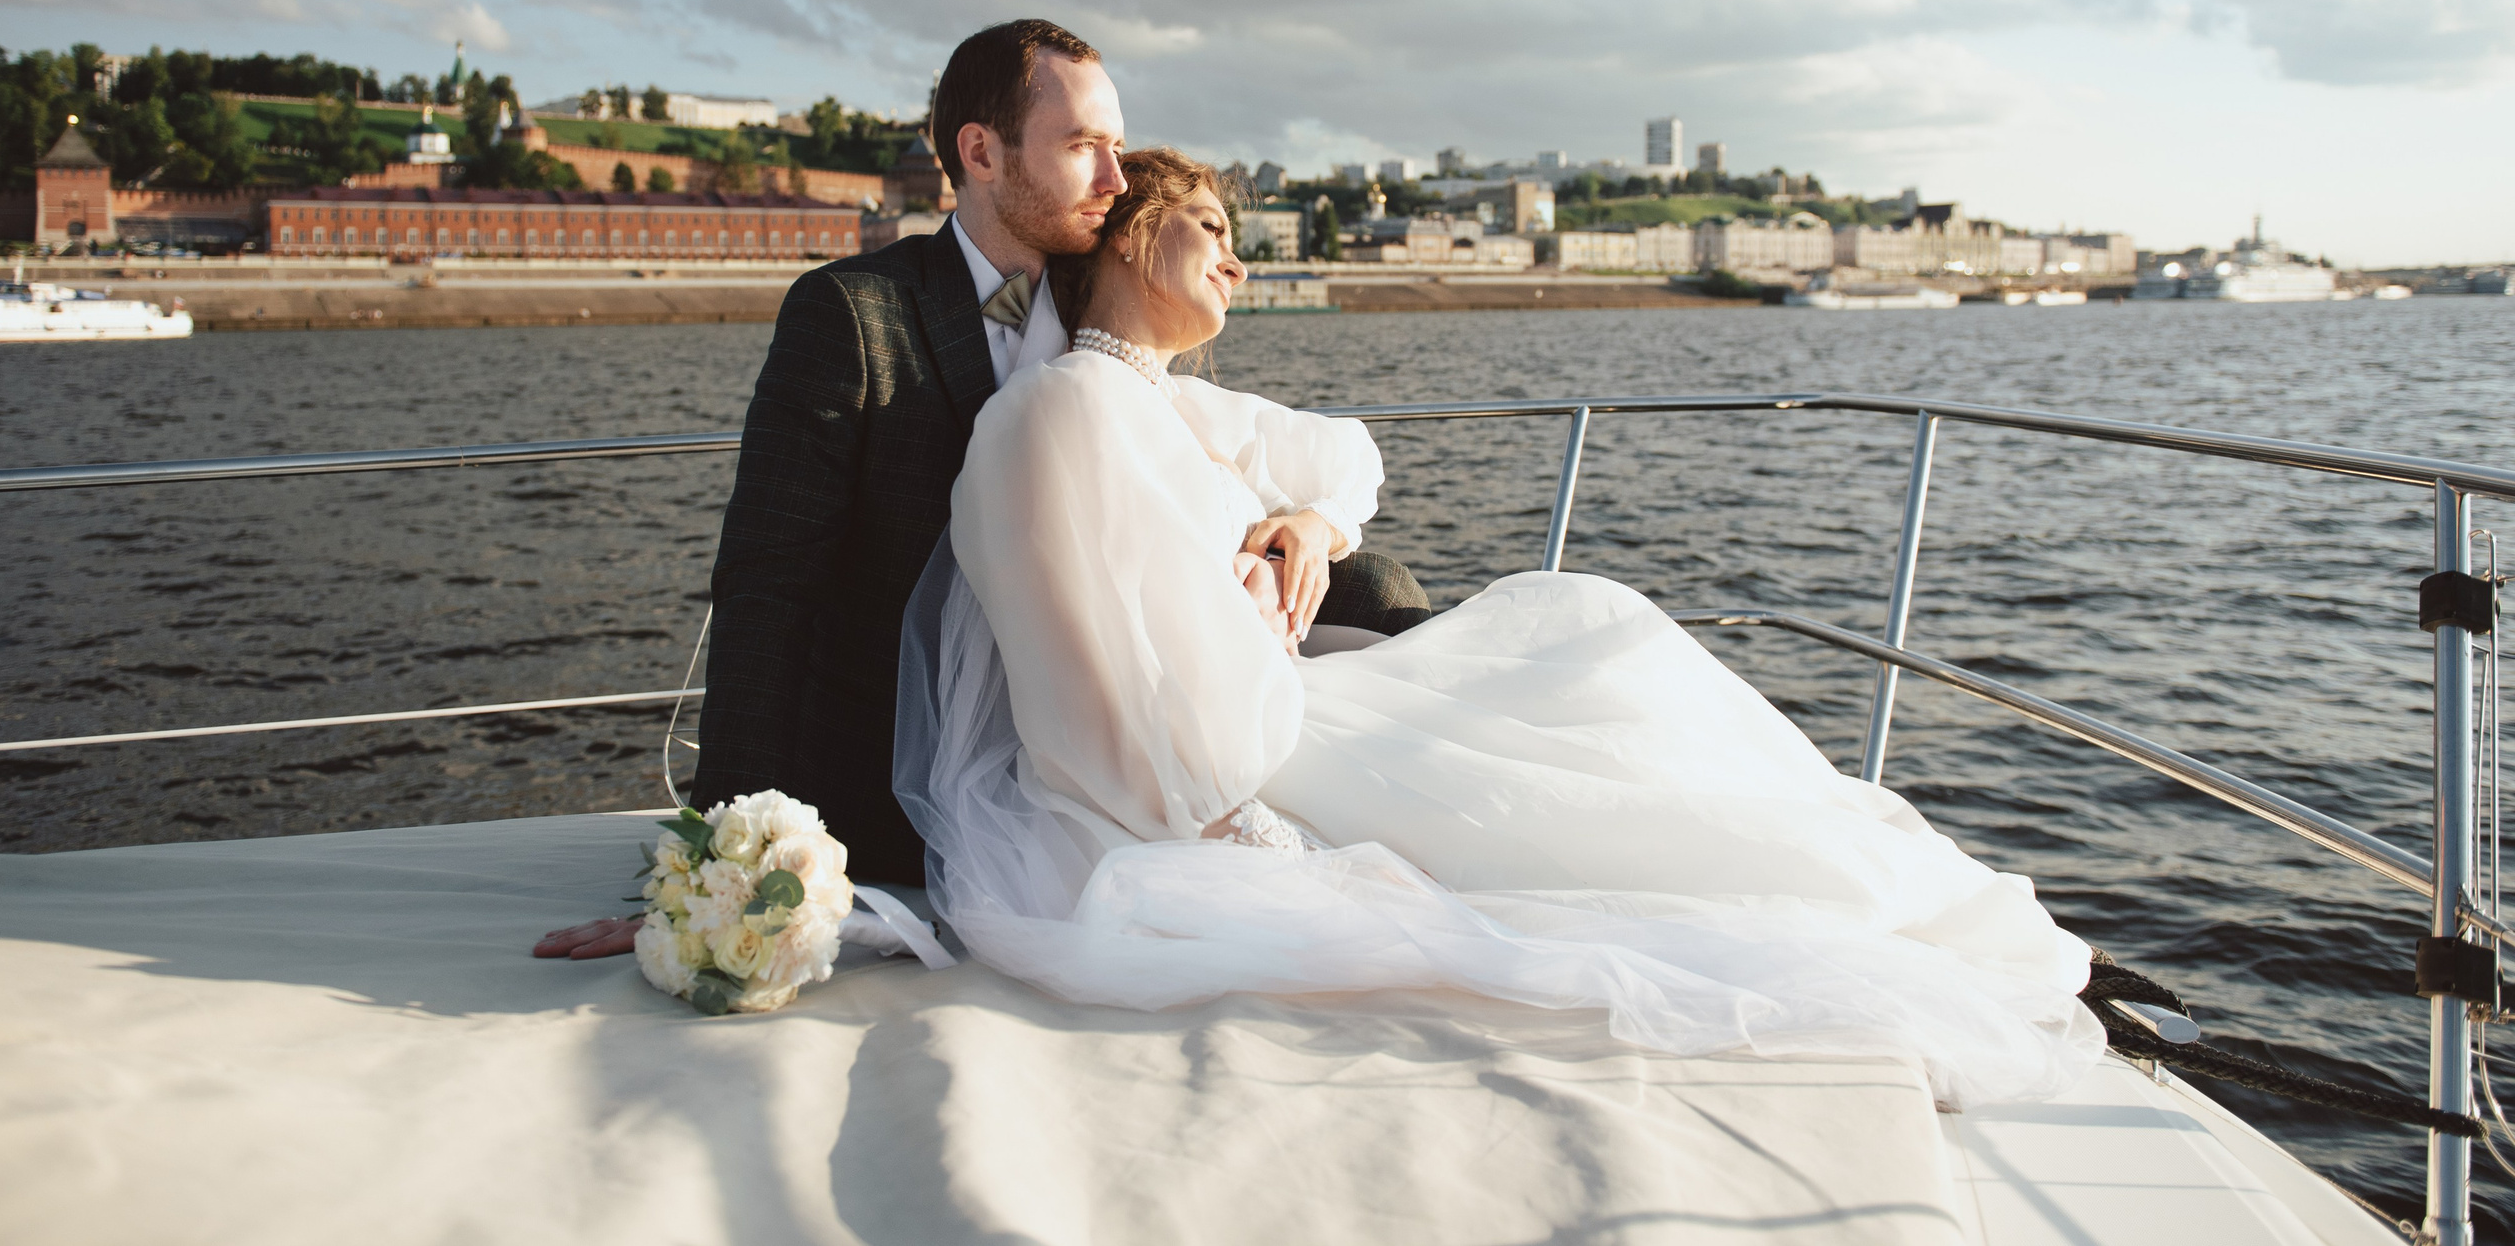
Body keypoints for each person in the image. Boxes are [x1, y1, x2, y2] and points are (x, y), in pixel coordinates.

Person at [894, 147, 2103, 1106]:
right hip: (1228, 756)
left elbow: (1345, 455)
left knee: (1592, 631)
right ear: (1129, 230)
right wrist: (1251, 821)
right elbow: (1099, 691)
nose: (1238, 263)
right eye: (1212, 227)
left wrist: (1310, 526)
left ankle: (1846, 874)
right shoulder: (1067, 414)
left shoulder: (1185, 404)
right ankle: (1833, 895)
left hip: (1267, 704)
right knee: (1574, 689)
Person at [535, 22, 1431, 961]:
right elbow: (768, 588)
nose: (1116, 180)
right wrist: (720, 864)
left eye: (1117, 149)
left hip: (1124, 723)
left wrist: (1304, 526)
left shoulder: (1108, 306)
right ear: (981, 153)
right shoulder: (853, 315)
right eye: (1084, 147)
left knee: (1376, 588)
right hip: (923, 775)